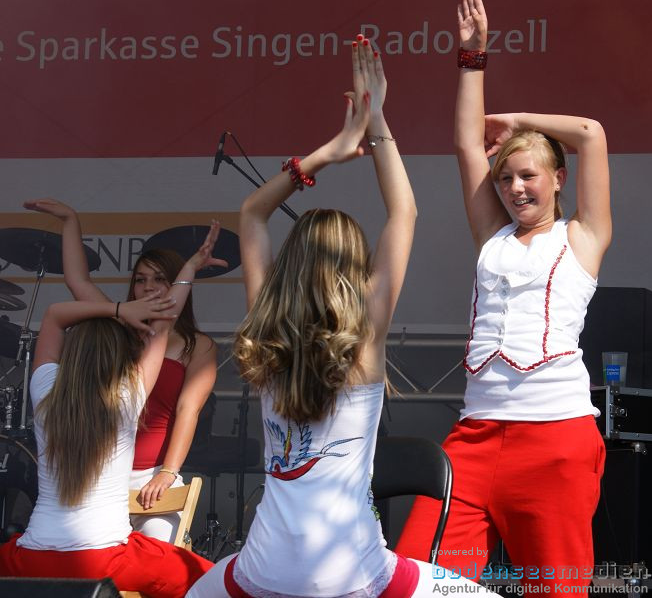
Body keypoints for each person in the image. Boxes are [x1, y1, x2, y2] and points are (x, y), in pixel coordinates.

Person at [187, 38, 497, 598]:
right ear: (356, 270)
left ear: (289, 265)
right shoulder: (366, 339)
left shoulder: (265, 333)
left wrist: (329, 151)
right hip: (353, 577)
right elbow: (405, 211)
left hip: (261, 574)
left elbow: (252, 212)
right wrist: (376, 122)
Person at [396, 0, 612, 594]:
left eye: (529, 176)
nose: (515, 188)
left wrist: (515, 121)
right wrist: (473, 57)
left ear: (557, 180)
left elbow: (591, 134)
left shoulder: (582, 239)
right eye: (507, 178)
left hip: (555, 440)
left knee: (557, 589)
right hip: (475, 436)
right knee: (418, 577)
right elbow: (469, 145)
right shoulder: (491, 236)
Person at [0, 224, 224, 596]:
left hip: (32, 553)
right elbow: (164, 322)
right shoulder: (126, 397)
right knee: (214, 581)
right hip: (104, 557)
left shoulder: (44, 392)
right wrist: (190, 270)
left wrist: (117, 308)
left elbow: (55, 313)